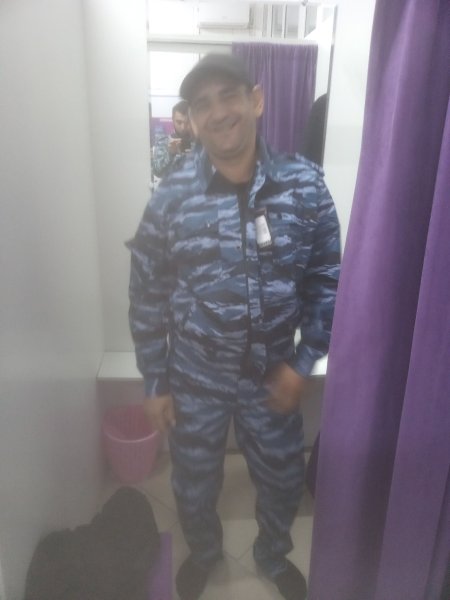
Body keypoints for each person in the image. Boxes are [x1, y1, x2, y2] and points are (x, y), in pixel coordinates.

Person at [128, 53, 340, 600]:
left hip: (272, 373)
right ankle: (203, 553)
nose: (218, 112)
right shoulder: (171, 197)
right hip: (195, 376)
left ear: (257, 100)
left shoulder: (305, 185)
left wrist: (303, 361)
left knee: (283, 479)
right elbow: (147, 292)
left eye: (229, 96)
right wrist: (155, 381)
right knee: (193, 481)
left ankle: (271, 555)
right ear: (193, 119)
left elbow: (326, 280)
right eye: (203, 104)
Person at [151, 99, 194, 179]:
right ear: (173, 120)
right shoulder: (163, 142)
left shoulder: (202, 142)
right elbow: (157, 172)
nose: (183, 127)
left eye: (187, 122)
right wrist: (170, 154)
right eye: (179, 122)